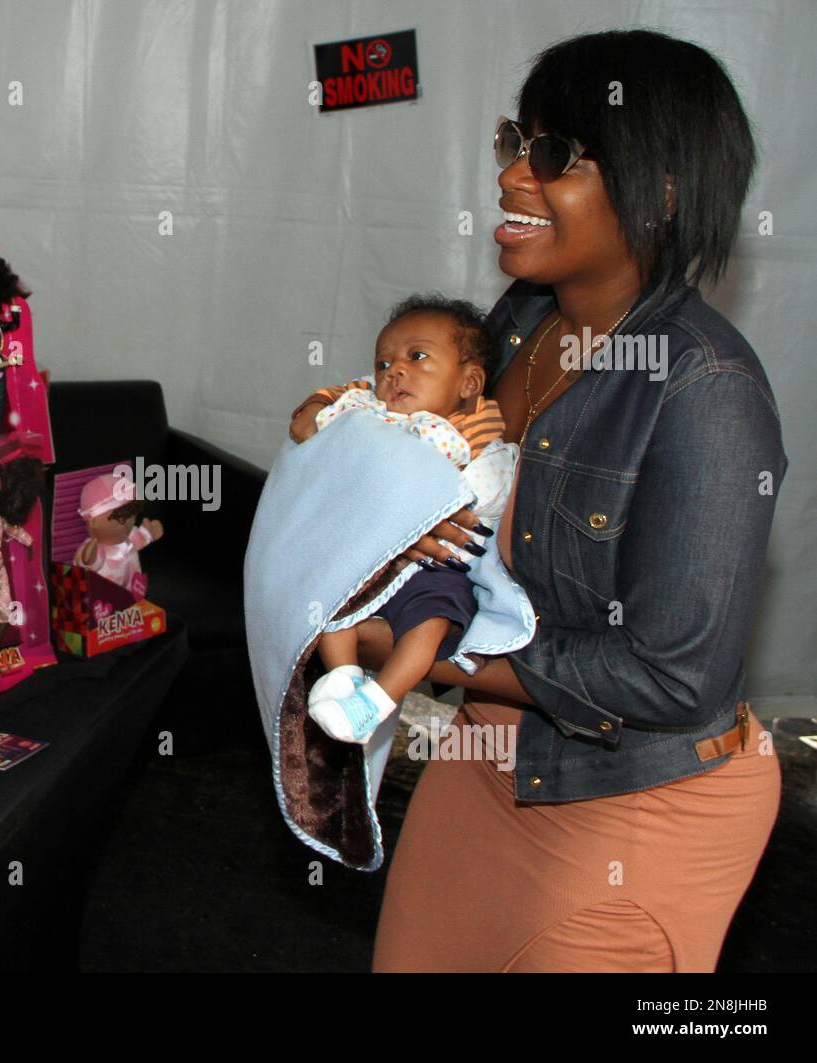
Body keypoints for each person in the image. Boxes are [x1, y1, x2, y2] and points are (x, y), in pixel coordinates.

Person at [291, 29, 784, 973]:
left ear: (663, 190)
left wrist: (413, 649)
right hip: (487, 762)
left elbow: (673, 679)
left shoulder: (706, 391)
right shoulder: (518, 323)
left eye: (555, 155)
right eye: (515, 142)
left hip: (635, 808)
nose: (513, 176)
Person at [292, 296, 511, 745]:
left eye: (417, 356)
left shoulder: (473, 431)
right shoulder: (369, 413)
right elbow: (324, 427)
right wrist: (315, 408)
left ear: (469, 382)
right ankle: (344, 677)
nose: (394, 371)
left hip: (433, 567)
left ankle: (378, 699)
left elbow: (485, 498)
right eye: (384, 362)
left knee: (429, 623)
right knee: (328, 600)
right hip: (364, 554)